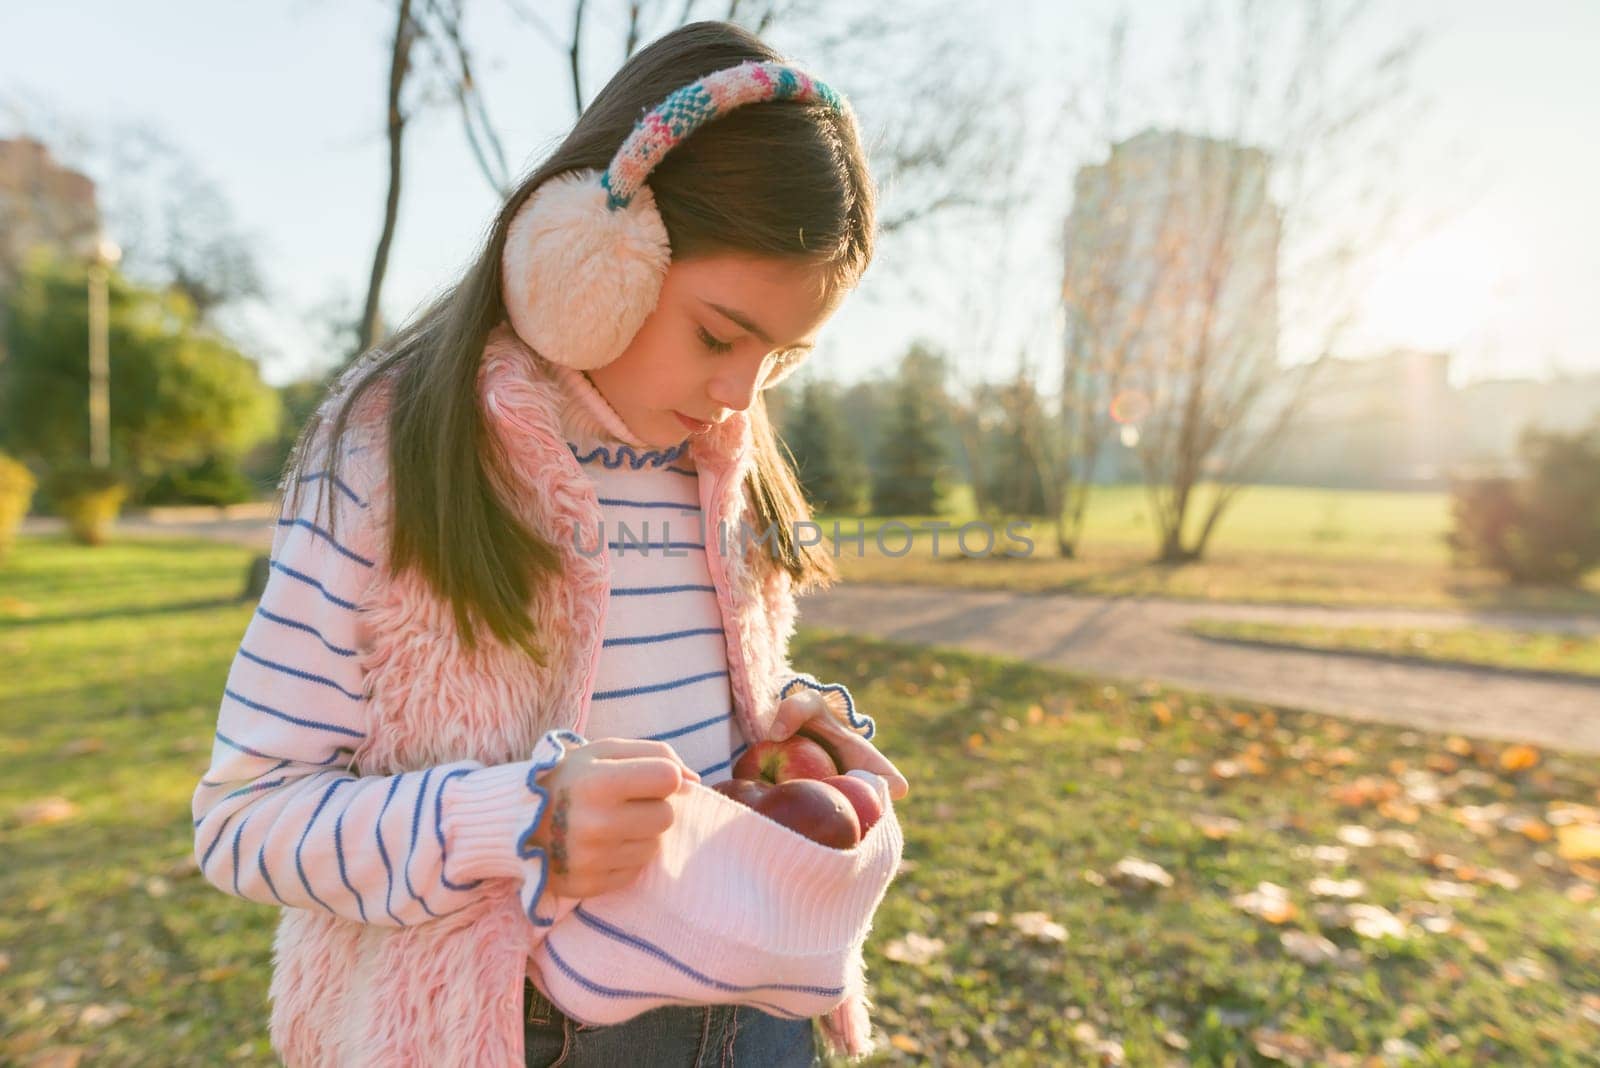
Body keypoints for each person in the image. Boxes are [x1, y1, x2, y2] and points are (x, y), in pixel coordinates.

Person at [190, 19, 910, 1068]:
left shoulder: (718, 456)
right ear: (594, 255)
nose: (739, 396)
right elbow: (245, 819)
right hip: (513, 1034)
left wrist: (778, 736)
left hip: (759, 1017)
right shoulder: (393, 451)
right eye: (719, 333)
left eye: (782, 355)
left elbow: (669, 703)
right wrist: (516, 824)